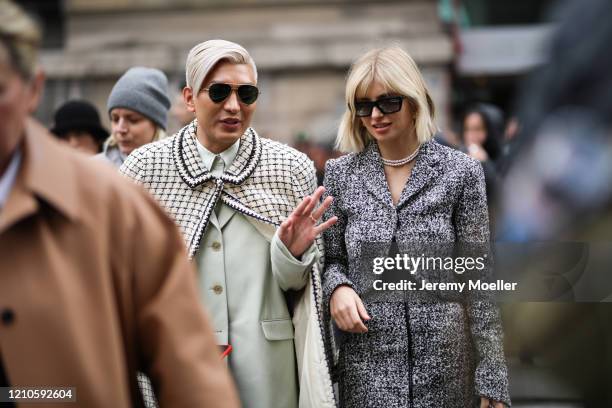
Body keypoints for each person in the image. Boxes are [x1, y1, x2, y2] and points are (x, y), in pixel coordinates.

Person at [0, 2, 240, 407]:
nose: (121, 129)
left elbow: (188, 369)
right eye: (116, 118)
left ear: (33, 89)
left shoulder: (110, 204)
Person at [120, 39, 337, 408]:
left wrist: (291, 255)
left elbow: (305, 289)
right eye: (219, 92)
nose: (234, 106)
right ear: (189, 99)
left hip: (271, 369)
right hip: (179, 365)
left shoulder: (290, 168)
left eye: (246, 93)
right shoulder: (143, 170)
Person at [322, 46, 510, 407]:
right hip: (368, 369)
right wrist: (338, 289)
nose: (375, 115)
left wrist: (493, 377)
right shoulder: (340, 175)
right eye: (363, 105)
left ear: (414, 102)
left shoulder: (461, 173)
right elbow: (331, 258)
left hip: (447, 370)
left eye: (388, 102)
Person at [96, 66, 170, 167]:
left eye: (133, 120)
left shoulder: (177, 172)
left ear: (156, 124)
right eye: (115, 119)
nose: (120, 129)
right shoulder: (91, 169)